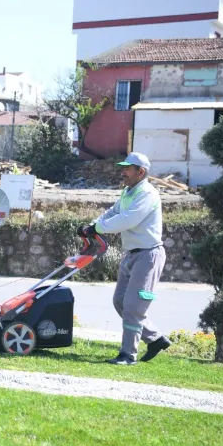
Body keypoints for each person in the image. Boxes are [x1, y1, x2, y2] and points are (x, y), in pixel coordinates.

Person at [78, 152, 171, 365]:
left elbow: (128, 219)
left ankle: (128, 355)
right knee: (120, 301)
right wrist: (92, 226)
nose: (123, 171)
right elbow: (113, 213)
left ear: (141, 171)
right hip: (132, 254)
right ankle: (155, 339)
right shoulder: (128, 192)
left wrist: (98, 228)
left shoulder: (147, 194)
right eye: (124, 167)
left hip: (148, 255)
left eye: (128, 168)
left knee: (133, 305)